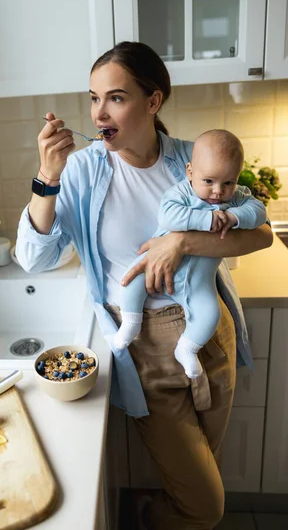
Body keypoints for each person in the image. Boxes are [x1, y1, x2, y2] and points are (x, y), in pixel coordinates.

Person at [16, 41, 273, 529]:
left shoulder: (191, 160)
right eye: (93, 98)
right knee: (206, 504)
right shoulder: (85, 170)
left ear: (153, 102)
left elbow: (260, 234)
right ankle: (149, 514)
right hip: (142, 347)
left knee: (199, 476)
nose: (98, 112)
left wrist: (181, 241)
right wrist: (47, 177)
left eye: (115, 97)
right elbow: (34, 257)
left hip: (207, 332)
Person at [115, 129, 267, 381]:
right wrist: (206, 219)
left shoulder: (238, 199)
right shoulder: (181, 192)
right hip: (158, 266)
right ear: (190, 172)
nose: (218, 191)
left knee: (210, 314)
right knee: (131, 284)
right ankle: (130, 324)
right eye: (209, 181)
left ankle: (186, 348)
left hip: (199, 283)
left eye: (228, 182)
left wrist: (234, 217)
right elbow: (168, 216)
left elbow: (259, 213)